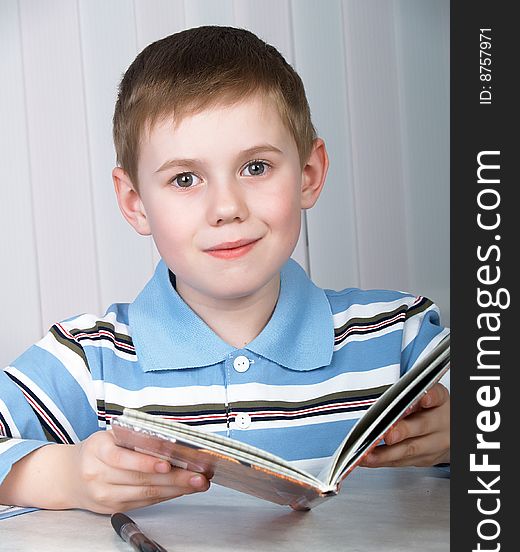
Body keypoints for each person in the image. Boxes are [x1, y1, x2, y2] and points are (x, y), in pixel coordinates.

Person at [0, 26, 449, 515]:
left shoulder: (399, 335)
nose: (226, 207)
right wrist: (65, 478)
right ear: (136, 203)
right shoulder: (89, 360)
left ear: (309, 175)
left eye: (255, 167)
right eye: (185, 178)